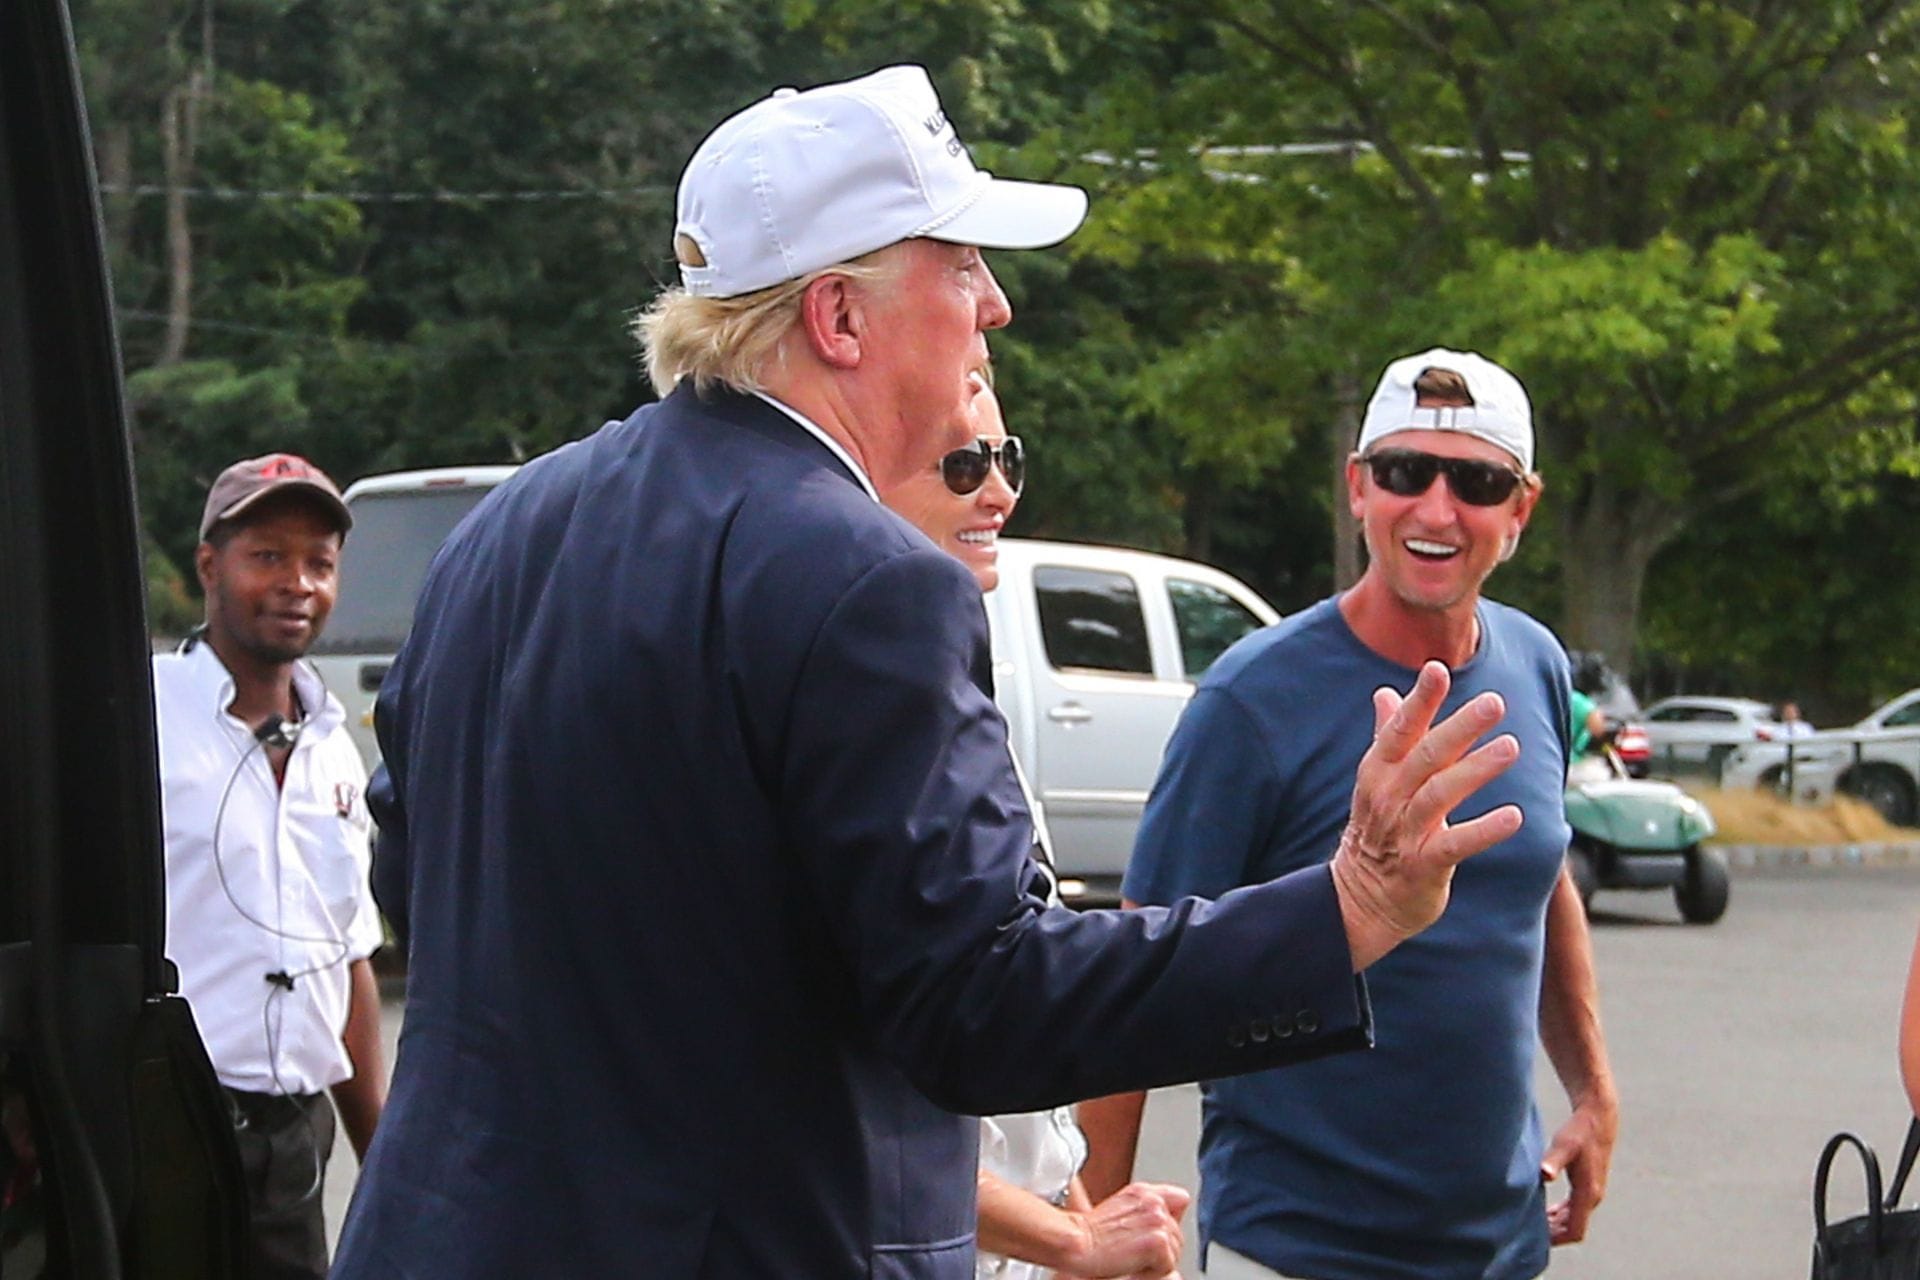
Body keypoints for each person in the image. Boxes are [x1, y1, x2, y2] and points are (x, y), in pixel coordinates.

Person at [333, 68, 1525, 1280]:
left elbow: (420, 875)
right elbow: (983, 1002)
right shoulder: (865, 575)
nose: (996, 306)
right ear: (839, 318)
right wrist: (1348, 907)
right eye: (961, 265)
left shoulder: (508, 523)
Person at [1081, 350, 1619, 1280]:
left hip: (1502, 1243)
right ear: (1359, 489)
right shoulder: (1253, 699)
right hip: (1300, 1245)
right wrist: (1084, 1243)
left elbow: (1539, 873)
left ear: (1521, 508)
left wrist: (1594, 1091)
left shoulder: (1535, 663)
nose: (1438, 510)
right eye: (1406, 473)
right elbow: (1135, 976)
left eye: (1478, 482)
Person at [882, 368, 1192, 1280]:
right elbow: (840, 1118)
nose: (1001, 488)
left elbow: (1034, 1119)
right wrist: (1074, 1241)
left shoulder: (972, 707)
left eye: (1008, 456)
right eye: (963, 461)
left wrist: (1082, 1224)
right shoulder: (852, 740)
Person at [152, 453, 386, 1280]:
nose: (297, 583)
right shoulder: (143, 720)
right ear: (209, 565)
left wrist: (379, 1152)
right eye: (267, 556)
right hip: (158, 1132)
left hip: (292, 1140)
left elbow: (348, 952)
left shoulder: (334, 749)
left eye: (319, 563)